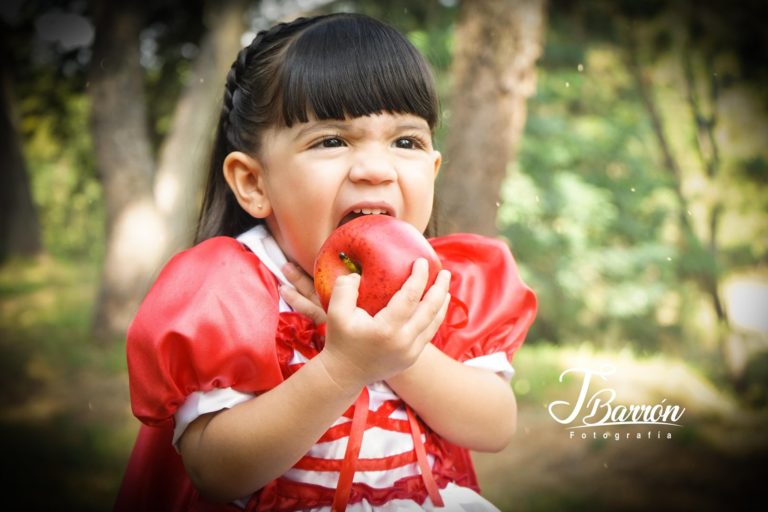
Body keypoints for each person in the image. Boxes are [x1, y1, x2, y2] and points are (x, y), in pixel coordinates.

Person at [114, 12, 536, 512]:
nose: (377, 169)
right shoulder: (230, 291)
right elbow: (215, 471)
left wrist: (397, 355)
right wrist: (342, 369)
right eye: (331, 141)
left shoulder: (444, 285)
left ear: (434, 169)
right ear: (254, 183)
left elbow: (493, 426)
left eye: (407, 142)